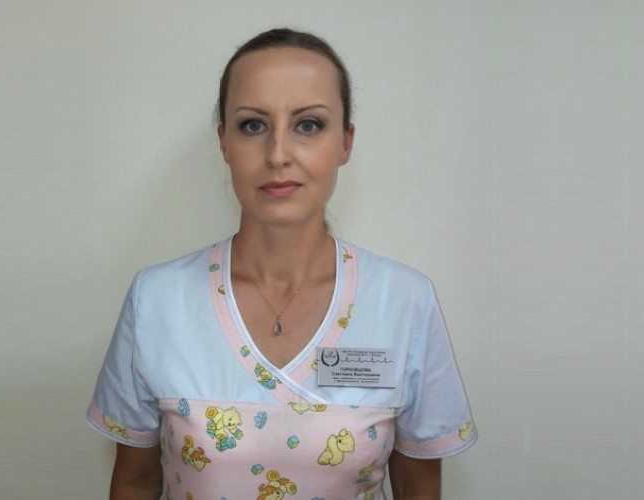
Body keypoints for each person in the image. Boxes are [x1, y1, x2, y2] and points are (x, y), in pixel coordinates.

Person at [87, 28, 476, 500]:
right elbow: (134, 481)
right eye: (253, 125)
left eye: (308, 125)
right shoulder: (156, 301)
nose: (277, 155)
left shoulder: (404, 303)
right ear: (224, 142)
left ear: (345, 142)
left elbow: (419, 488)